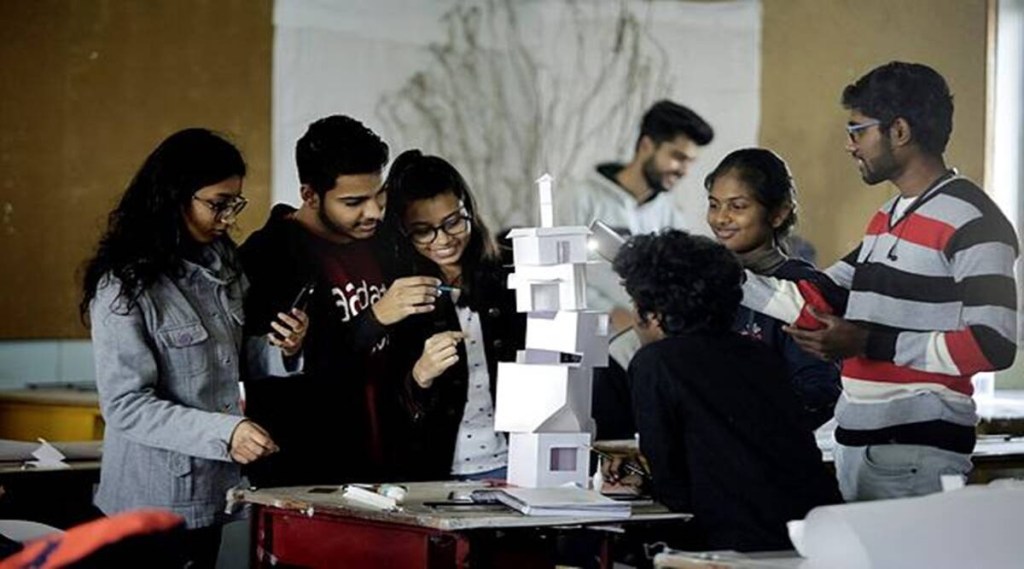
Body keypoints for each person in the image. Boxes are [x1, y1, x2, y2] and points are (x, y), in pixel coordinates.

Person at [747, 62, 1019, 501]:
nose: (849, 145)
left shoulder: (973, 221)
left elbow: (994, 344)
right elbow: (818, 296)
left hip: (913, 452)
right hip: (858, 446)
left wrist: (868, 343)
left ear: (899, 131)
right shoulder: (888, 216)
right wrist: (719, 278)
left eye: (857, 131)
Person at [81, 128, 307, 567]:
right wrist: (227, 433)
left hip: (209, 491)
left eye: (234, 204)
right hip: (147, 503)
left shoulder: (223, 265)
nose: (226, 219)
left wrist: (283, 348)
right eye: (218, 204)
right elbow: (126, 405)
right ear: (173, 197)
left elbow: (230, 358)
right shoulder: (123, 286)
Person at [239, 115, 439, 485]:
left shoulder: (384, 243)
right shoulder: (267, 256)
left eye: (378, 195)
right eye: (353, 202)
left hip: (393, 465)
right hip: (310, 473)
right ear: (310, 195)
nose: (374, 212)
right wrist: (375, 317)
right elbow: (278, 370)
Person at [614, 229, 841, 552]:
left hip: (738, 540)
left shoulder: (656, 363)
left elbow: (671, 483)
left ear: (653, 314)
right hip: (812, 528)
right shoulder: (758, 354)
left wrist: (639, 480)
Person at [384, 150, 526, 481]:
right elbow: (383, 402)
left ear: (469, 211)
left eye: (453, 222)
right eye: (423, 230)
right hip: (434, 469)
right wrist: (420, 374)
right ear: (403, 231)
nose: (444, 240)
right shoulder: (396, 293)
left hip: (514, 460)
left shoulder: (510, 273)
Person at [705, 148, 843, 429]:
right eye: (714, 205)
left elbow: (819, 390)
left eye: (737, 206)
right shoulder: (706, 281)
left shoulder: (799, 289)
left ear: (779, 214)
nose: (720, 218)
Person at [557, 100, 714, 332]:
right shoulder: (578, 198)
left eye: (690, 162)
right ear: (646, 145)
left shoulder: (671, 216)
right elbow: (556, 274)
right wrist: (611, 313)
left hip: (646, 345)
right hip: (585, 340)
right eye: (678, 157)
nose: (684, 171)